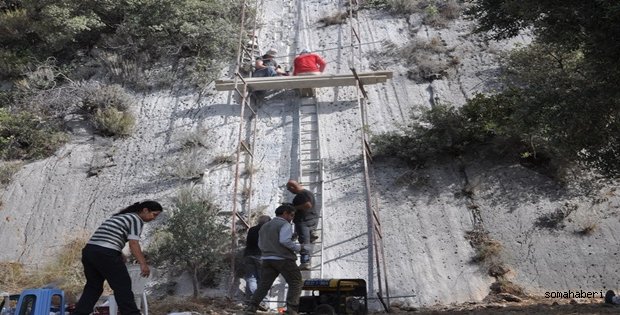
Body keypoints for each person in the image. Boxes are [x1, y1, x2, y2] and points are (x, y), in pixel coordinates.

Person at [72, 201, 163, 315]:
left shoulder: (120, 217)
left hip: (90, 252)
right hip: (106, 253)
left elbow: (107, 238)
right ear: (145, 210)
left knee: (93, 287)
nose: (153, 218)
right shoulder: (136, 219)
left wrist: (120, 254)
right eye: (154, 214)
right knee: (122, 285)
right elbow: (133, 243)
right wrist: (143, 263)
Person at [244, 204, 304, 315]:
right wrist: (299, 247)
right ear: (285, 213)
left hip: (267, 259)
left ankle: (252, 307)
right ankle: (291, 310)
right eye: (291, 215)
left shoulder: (265, 226)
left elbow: (260, 244)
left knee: (264, 284)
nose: (292, 218)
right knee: (296, 282)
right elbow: (285, 241)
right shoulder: (284, 224)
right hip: (283, 258)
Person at [286, 180, 316, 270]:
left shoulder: (303, 194)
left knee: (304, 242)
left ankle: (305, 262)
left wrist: (293, 207)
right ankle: (312, 234)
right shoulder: (306, 194)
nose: (290, 191)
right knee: (305, 240)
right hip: (307, 220)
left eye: (289, 189)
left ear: (292, 187)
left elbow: (308, 205)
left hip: (304, 221)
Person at [243, 215, 271, 310]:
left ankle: (251, 301)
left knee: (251, 279)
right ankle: (261, 302)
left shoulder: (252, 229)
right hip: (261, 256)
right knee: (263, 280)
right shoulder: (267, 230)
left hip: (249, 255)